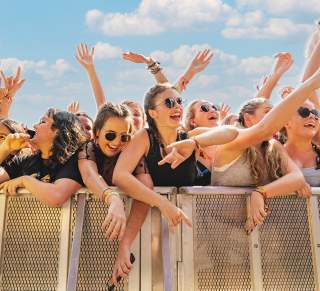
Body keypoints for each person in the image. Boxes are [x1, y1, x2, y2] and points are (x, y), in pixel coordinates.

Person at [111, 83, 239, 282]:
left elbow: (232, 133)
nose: (177, 106)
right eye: (169, 102)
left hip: (192, 229)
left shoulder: (188, 137)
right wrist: (163, 204)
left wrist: (194, 143)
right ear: (152, 113)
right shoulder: (145, 137)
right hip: (151, 230)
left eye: (179, 101)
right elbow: (120, 175)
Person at [159, 69, 320, 227]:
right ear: (248, 119)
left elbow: (297, 178)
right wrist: (311, 83)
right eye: (269, 113)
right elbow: (240, 131)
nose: (277, 118)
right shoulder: (233, 144)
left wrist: (262, 192)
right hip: (219, 235)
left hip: (260, 237)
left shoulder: (273, 146)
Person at [0, 109, 86, 206]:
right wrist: (5, 148)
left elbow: (57, 197)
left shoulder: (75, 160)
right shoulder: (24, 161)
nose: (34, 126)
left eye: (42, 122)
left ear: (59, 131)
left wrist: (25, 180)